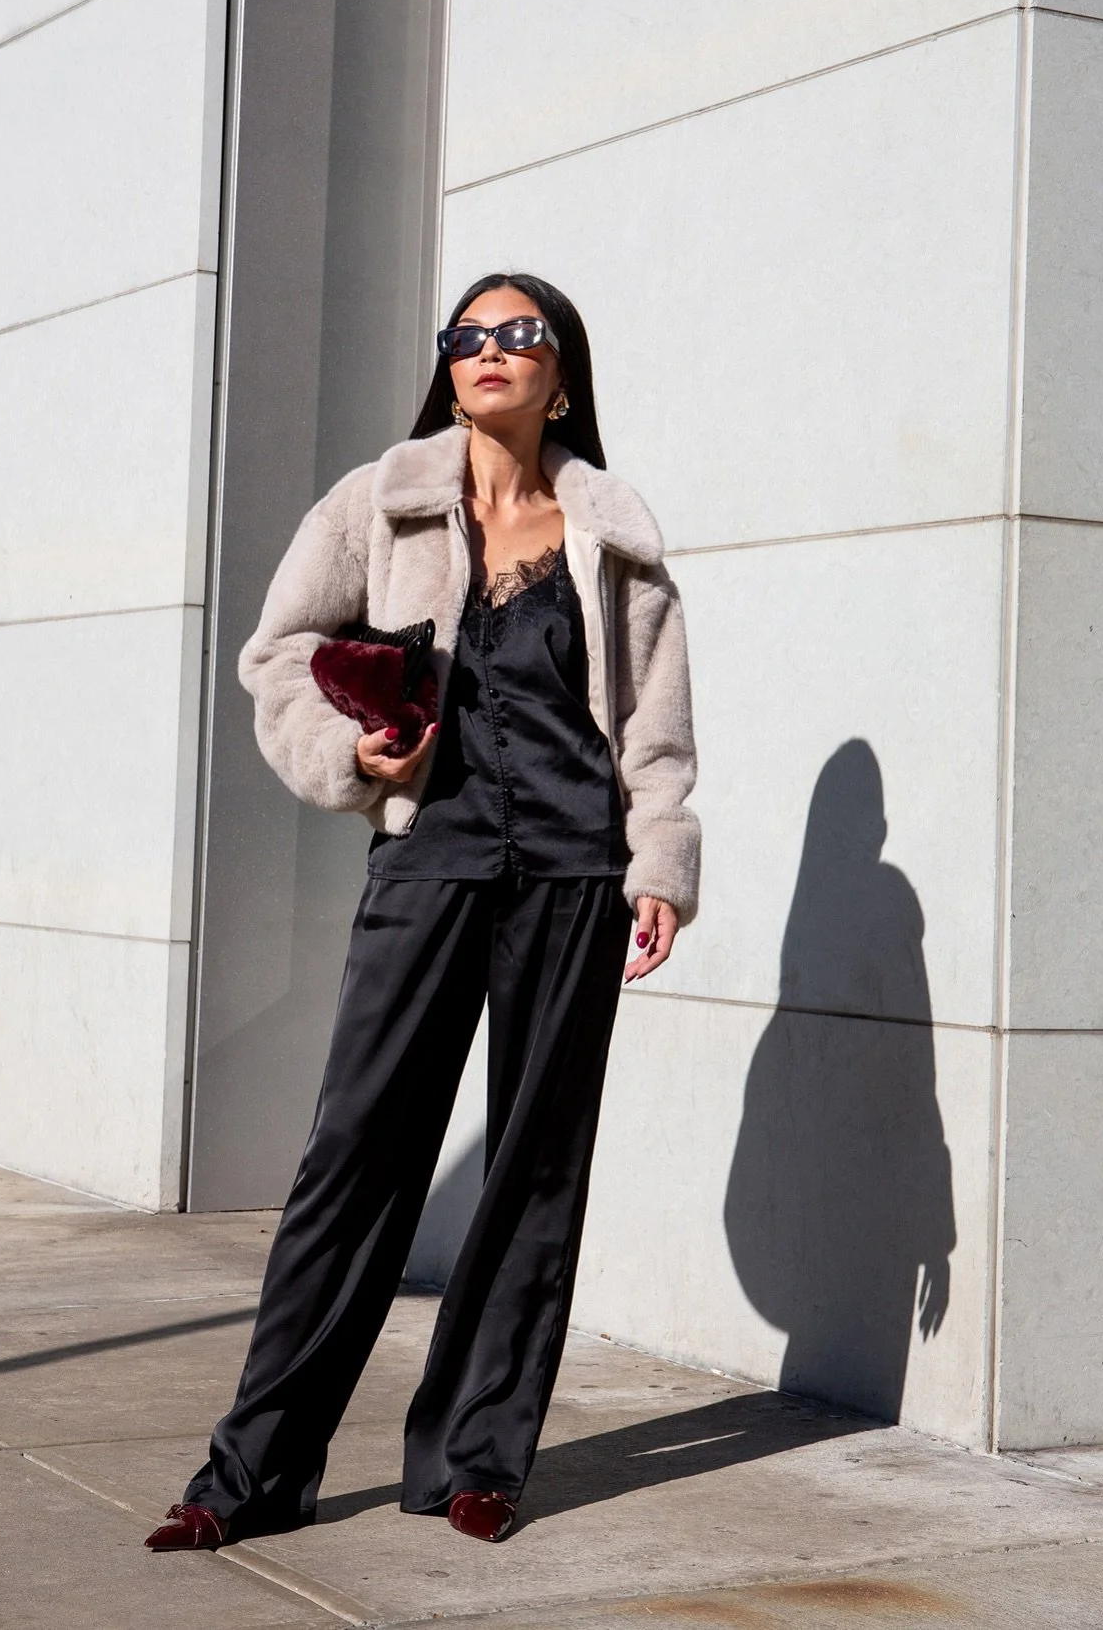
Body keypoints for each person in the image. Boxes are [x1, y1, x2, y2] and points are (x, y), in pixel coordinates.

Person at [147, 272, 700, 1551]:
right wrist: (351, 754)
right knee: (354, 1156)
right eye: (469, 335)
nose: (491, 349)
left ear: (561, 377)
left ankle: (478, 1456)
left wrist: (659, 863)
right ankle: (252, 1470)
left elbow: (656, 726)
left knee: (534, 1167)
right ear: (449, 369)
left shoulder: (614, 532)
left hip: (574, 870)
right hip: (429, 857)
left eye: (521, 334)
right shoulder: (378, 502)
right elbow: (277, 654)